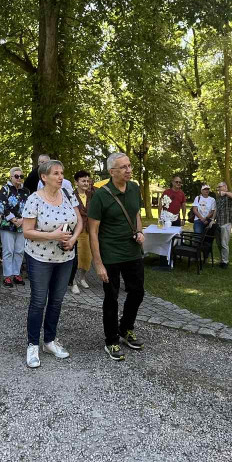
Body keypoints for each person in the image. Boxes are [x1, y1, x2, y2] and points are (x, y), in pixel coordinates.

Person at [20, 159, 79, 368]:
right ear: (44, 177)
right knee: (38, 301)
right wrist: (52, 235)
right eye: (56, 173)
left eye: (62, 173)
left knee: (56, 301)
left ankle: (49, 341)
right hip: (40, 258)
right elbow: (27, 231)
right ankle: (32, 345)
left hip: (65, 258)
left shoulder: (68, 195)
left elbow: (79, 222)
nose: (61, 177)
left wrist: (72, 240)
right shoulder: (34, 199)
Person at [88, 152, 146, 361]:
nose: (129, 170)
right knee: (111, 298)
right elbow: (93, 231)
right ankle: (111, 340)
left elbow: (135, 215)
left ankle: (126, 328)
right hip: (110, 254)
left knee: (137, 292)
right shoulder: (101, 195)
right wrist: (98, 263)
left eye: (129, 166)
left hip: (132, 252)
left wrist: (139, 232)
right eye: (123, 167)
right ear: (112, 172)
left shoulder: (134, 188)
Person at [0, 167, 28, 288]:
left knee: (19, 251)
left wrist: (22, 220)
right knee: (8, 251)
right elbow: (1, 205)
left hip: (22, 225)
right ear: (11, 177)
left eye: (21, 176)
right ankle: (7, 276)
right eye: (16, 176)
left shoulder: (26, 191)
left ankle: (16, 273)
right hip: (8, 224)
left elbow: (29, 208)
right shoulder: (5, 189)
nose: (19, 178)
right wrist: (13, 219)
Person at [68, 170, 94, 294]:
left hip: (89, 230)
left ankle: (82, 278)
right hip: (76, 231)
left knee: (87, 257)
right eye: (83, 181)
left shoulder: (92, 194)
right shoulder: (71, 196)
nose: (86, 183)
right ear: (76, 182)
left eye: (88, 181)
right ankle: (72, 282)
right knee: (75, 259)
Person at [214, 181, 232, 269]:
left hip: (226, 222)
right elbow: (216, 210)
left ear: (225, 187)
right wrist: (213, 219)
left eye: (220, 187)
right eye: (218, 187)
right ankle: (222, 259)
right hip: (218, 222)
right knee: (219, 243)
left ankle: (225, 262)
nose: (219, 189)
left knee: (224, 243)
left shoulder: (229, 196)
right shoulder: (218, 198)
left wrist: (226, 193)